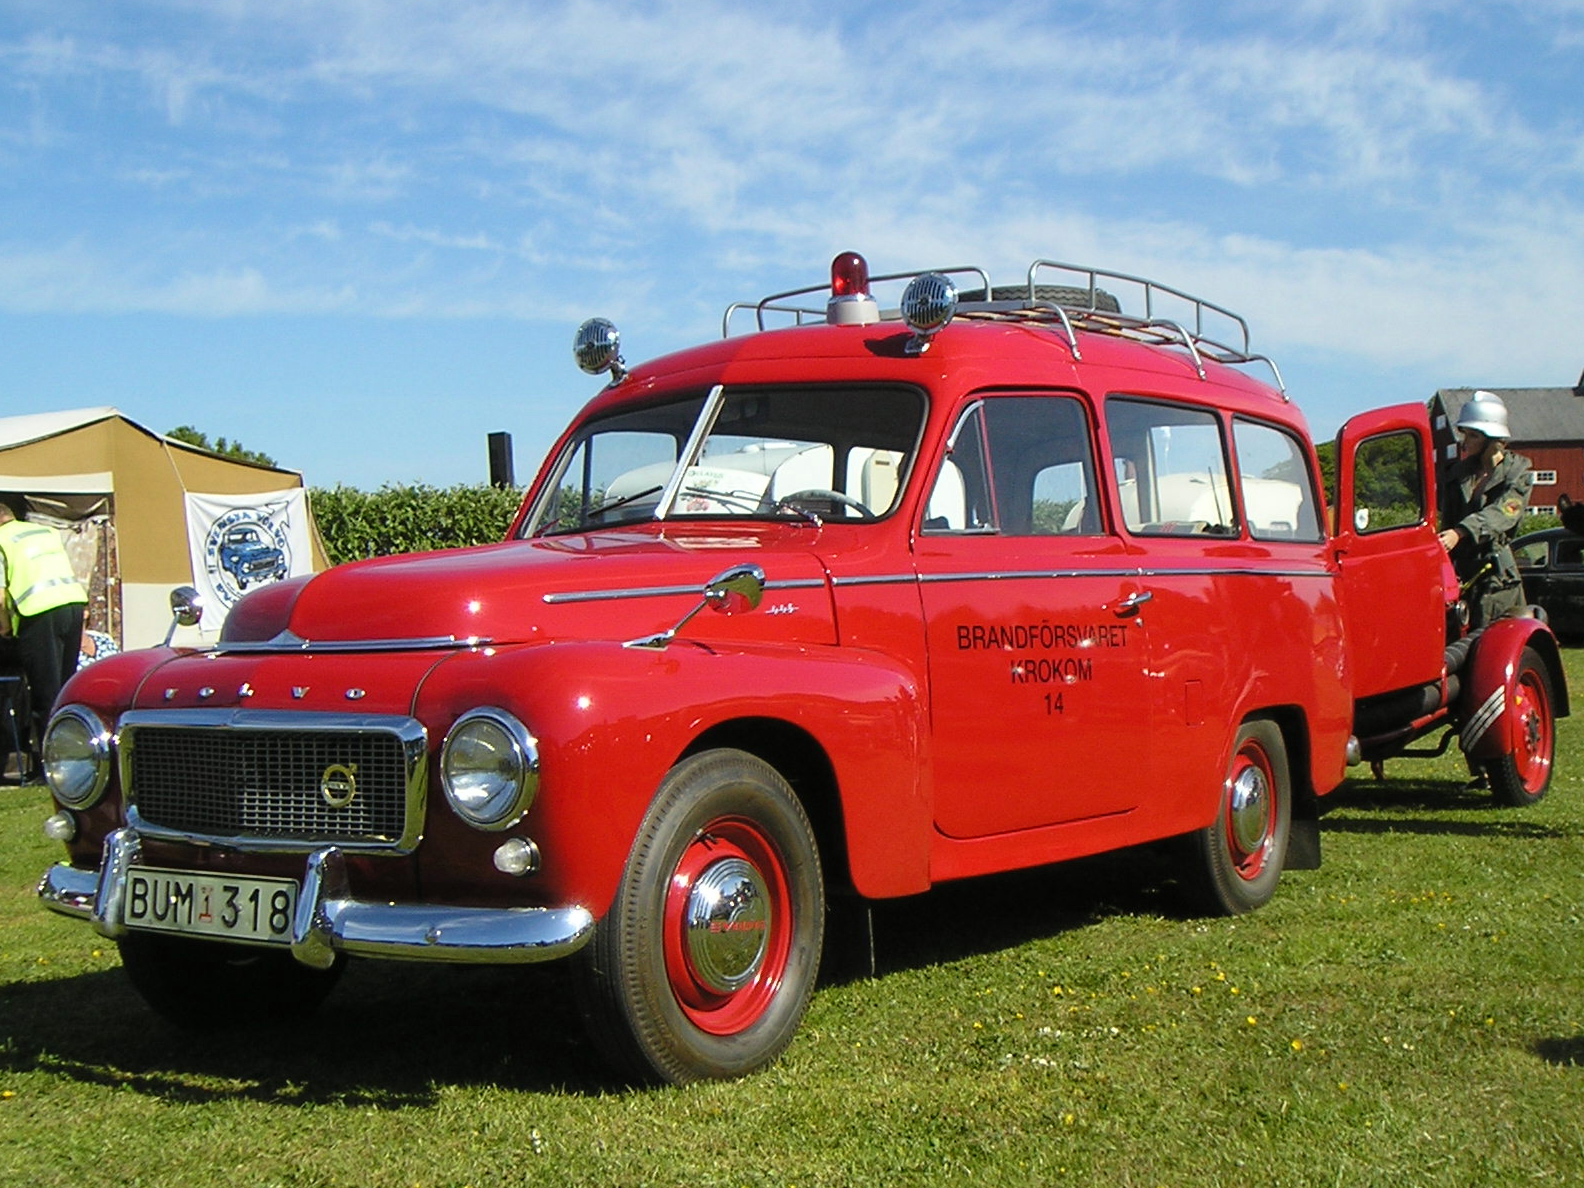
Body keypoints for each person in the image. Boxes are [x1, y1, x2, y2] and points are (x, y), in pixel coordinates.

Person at [0, 498, 88, 772]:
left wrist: (3, 628)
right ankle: (77, 757)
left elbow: (0, 597)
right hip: (73, 605)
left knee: (45, 695)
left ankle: (50, 766)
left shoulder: (2, 540)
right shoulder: (41, 532)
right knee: (65, 690)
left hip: (39, 613)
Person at [1438, 391, 1533, 628]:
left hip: (1497, 580)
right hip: (1460, 575)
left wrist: (1459, 533)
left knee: (1494, 645)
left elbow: (1503, 513)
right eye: (1464, 434)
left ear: (1492, 439)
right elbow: (1445, 519)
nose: (1464, 442)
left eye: (1473, 436)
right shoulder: (1457, 475)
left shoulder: (1517, 474)